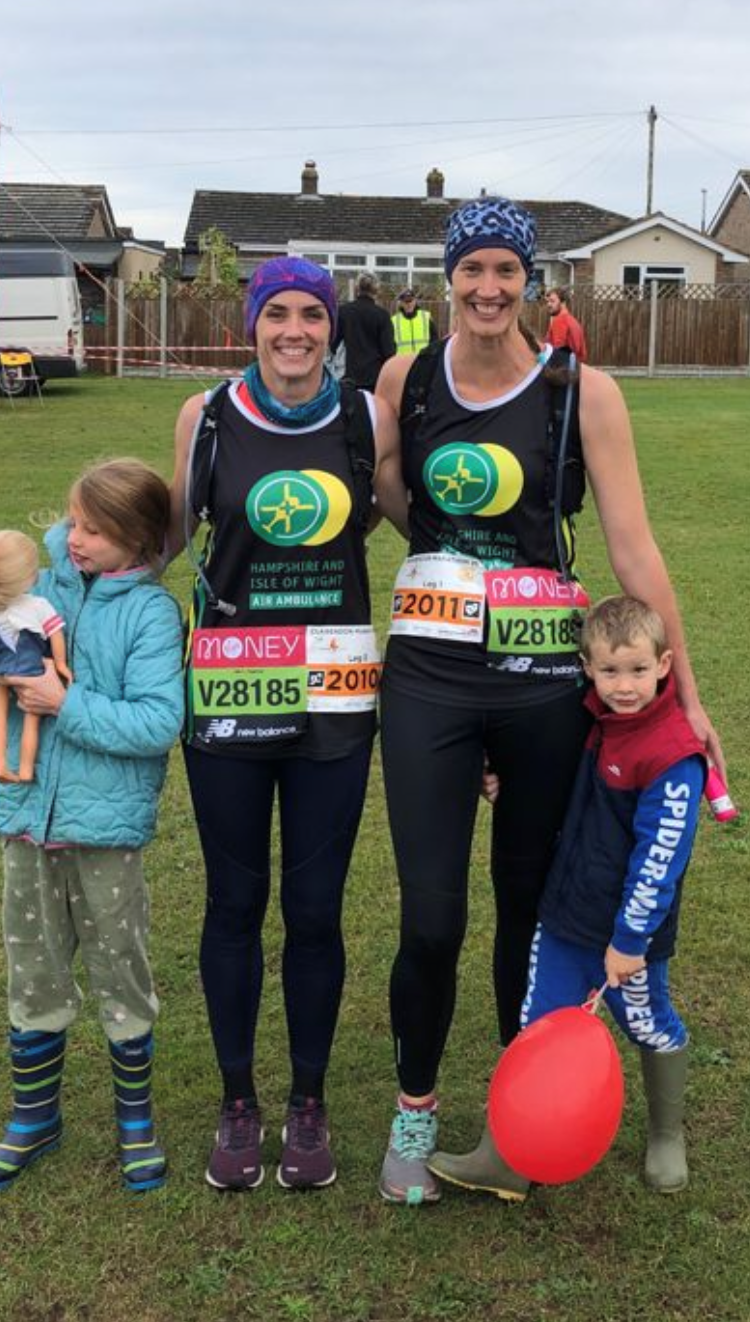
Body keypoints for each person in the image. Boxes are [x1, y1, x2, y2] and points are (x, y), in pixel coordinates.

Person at [373, 196, 722, 1206]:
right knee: (432, 915)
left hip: (540, 686)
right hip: (432, 676)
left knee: (529, 916)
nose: (488, 288)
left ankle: (520, 1109)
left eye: (506, 271)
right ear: (449, 276)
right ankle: (415, 1109)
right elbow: (395, 496)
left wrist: (683, 693)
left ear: (532, 281)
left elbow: (633, 549)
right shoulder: (405, 376)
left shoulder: (584, 392)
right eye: (471, 269)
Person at [168, 256, 405, 1193]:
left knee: (314, 912)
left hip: (333, 694)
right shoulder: (207, 416)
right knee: (232, 905)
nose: (296, 330)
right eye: (278, 315)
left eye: (312, 313)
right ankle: (238, 1101)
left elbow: (387, 519)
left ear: (331, 325)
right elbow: (173, 535)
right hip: (228, 693)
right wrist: (66, 579)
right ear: (252, 324)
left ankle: (307, 1104)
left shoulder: (363, 416)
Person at [435, 595, 706, 1201]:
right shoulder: (594, 721)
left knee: (647, 1024)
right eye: (610, 671)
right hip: (564, 917)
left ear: (664, 665)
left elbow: (659, 859)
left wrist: (629, 942)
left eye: (638, 670)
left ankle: (666, 1132)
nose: (625, 685)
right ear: (588, 667)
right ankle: (505, 1154)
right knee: (539, 1027)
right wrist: (506, 782)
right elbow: (561, 787)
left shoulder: (671, 755)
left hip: (624, 938)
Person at [0, 459, 184, 1193]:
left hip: (105, 832)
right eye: (74, 523)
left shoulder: (151, 614)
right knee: (32, 966)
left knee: (119, 969)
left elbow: (157, 722)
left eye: (94, 530)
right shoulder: (37, 589)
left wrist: (61, 702)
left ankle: (135, 1120)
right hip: (23, 817)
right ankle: (33, 1115)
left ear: (137, 541)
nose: (74, 539)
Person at [0, 530, 72, 783]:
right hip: (28, 666)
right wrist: (60, 663)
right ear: (28, 578)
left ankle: (0, 762)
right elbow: (55, 634)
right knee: (32, 716)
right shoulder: (37, 604)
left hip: (3, 668)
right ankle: (26, 770)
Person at [334, 272, 396, 391]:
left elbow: (333, 345)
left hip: (348, 377)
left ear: (357, 288)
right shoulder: (382, 315)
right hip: (374, 378)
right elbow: (389, 352)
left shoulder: (343, 312)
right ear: (376, 290)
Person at [391, 288, 438, 355]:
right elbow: (390, 345)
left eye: (411, 301)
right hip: (403, 361)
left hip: (423, 360)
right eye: (406, 301)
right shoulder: (394, 321)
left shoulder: (426, 317)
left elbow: (434, 340)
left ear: (415, 301)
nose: (409, 304)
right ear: (401, 303)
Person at [545, 286, 587, 361]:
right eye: (548, 301)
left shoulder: (560, 320)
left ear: (563, 303)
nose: (548, 304)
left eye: (552, 301)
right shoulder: (572, 320)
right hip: (575, 367)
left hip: (563, 369)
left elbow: (558, 352)